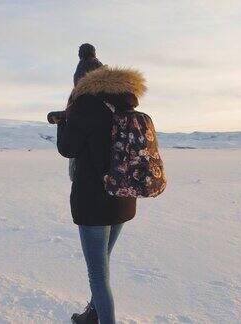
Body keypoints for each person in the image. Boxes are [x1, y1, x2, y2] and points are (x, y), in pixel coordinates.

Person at [54, 66, 147, 324]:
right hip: (123, 197)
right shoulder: (124, 102)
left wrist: (62, 123)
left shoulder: (85, 104)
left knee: (98, 275)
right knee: (102, 263)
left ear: (81, 82)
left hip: (94, 201)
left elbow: (68, 148)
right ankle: (92, 315)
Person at [68, 43, 104, 181]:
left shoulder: (80, 105)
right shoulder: (115, 102)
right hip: (113, 177)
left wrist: (61, 124)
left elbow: (68, 148)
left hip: (85, 174)